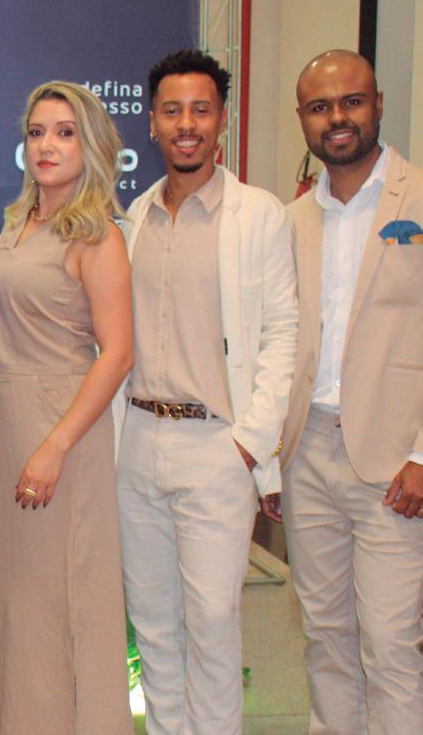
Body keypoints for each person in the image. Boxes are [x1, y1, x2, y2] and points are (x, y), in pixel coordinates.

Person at [0, 81, 134, 733]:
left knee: (47, 606)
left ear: (92, 146)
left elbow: (117, 353)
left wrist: (53, 447)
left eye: (64, 132)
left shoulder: (98, 235)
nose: (47, 145)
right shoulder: (12, 222)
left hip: (60, 431)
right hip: (1, 429)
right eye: (36, 132)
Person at [116, 50, 297, 734]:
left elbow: (282, 333)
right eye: (171, 111)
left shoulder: (259, 215)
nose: (185, 124)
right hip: (137, 443)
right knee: (154, 630)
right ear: (152, 123)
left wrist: (248, 444)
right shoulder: (134, 218)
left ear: (222, 120)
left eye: (200, 110)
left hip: (216, 447)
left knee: (213, 626)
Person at [279, 49, 423, 734]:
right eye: (320, 106)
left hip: (393, 466)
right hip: (307, 455)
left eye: (351, 101)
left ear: (378, 104)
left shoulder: (417, 199)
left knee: (390, 648)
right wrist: (272, 458)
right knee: (326, 639)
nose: (336, 117)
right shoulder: (292, 218)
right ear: (302, 119)